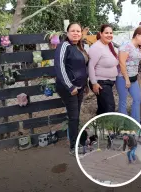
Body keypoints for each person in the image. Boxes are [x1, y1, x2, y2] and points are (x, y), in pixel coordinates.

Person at [54, 22, 89, 156]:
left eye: (78, 31)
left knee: (76, 116)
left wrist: (84, 85)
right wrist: (70, 86)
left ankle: (76, 142)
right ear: (67, 33)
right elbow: (60, 67)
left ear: (81, 34)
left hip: (79, 87)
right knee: (74, 117)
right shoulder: (64, 46)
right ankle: (73, 147)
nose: (76, 33)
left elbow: (82, 68)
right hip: (69, 88)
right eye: (73, 31)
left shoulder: (79, 47)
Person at [116, 27, 141, 124]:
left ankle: (135, 122)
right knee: (123, 101)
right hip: (123, 78)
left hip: (134, 78)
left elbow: (140, 61)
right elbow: (121, 62)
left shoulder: (138, 47)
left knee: (137, 99)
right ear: (137, 35)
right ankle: (123, 124)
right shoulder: (126, 46)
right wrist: (126, 79)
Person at [88, 24, 119, 115]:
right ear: (100, 34)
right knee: (110, 108)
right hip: (100, 82)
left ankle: (99, 127)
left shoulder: (110, 45)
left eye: (111, 33)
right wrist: (94, 83)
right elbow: (90, 66)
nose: (109, 35)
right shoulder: (96, 47)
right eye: (106, 33)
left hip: (108, 82)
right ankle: (108, 128)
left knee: (103, 108)